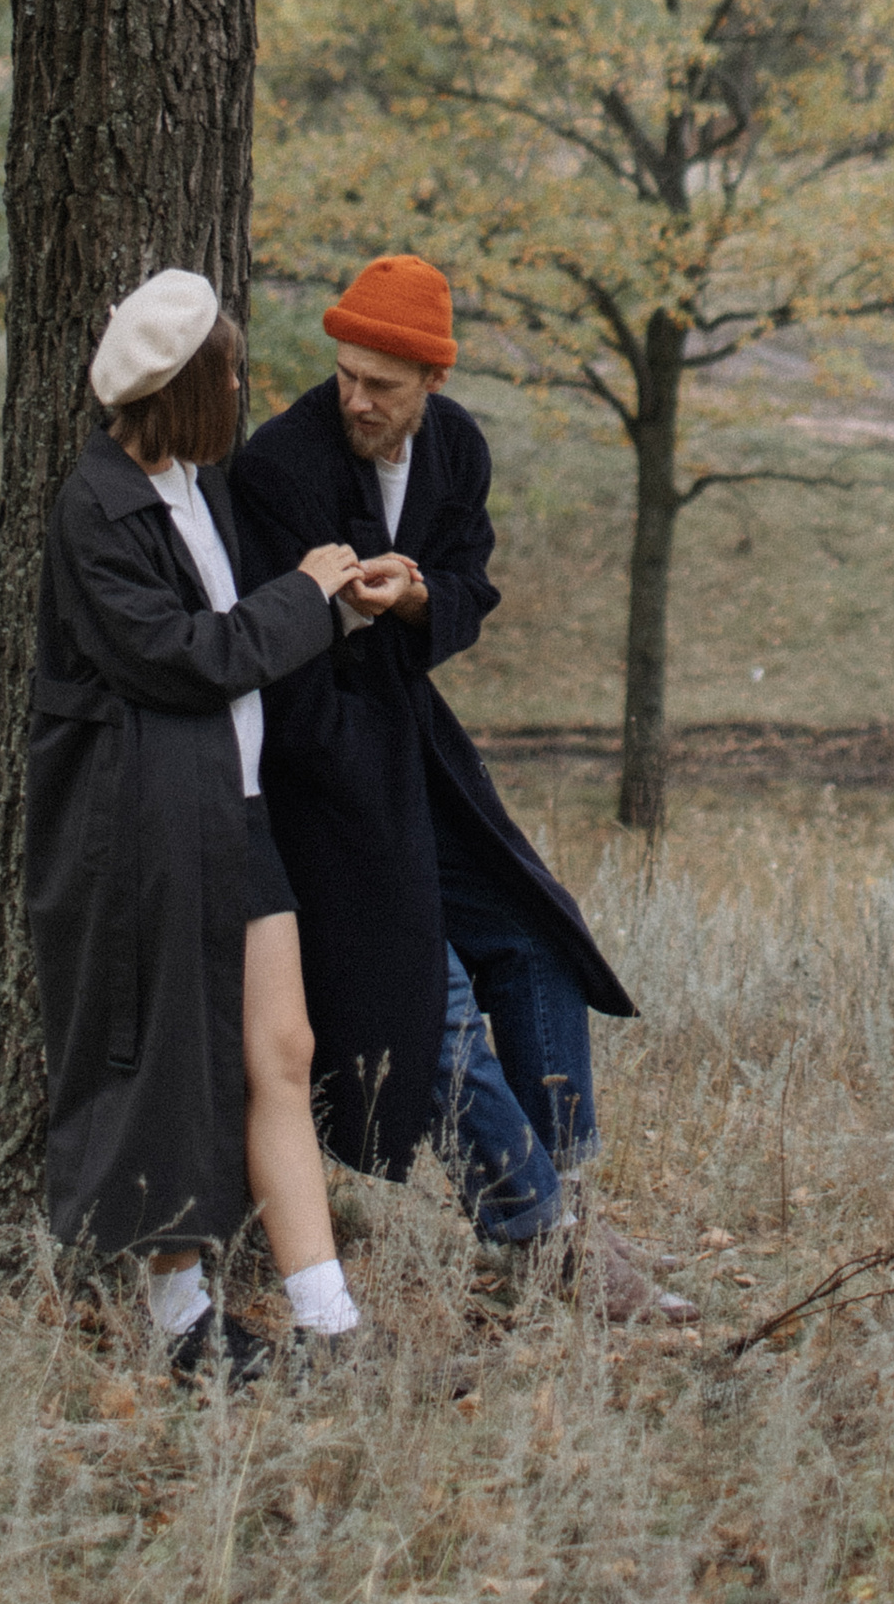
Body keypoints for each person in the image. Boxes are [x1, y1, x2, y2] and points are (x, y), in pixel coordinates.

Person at [235, 253, 687, 1321]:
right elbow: (269, 654)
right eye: (346, 374)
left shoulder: (457, 449)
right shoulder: (280, 466)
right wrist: (342, 614)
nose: (357, 399)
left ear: (432, 382)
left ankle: (568, 1204)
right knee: (420, 995)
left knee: (535, 942)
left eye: (382, 385)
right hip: (314, 773)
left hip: (413, 749)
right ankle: (536, 1233)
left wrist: (416, 598)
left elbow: (470, 587)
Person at [26, 266, 370, 1384]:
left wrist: (338, 605)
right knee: (170, 1068)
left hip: (236, 810)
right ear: (181, 388)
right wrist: (306, 596)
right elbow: (185, 658)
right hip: (147, 835)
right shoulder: (96, 509)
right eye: (225, 373)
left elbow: (245, 628)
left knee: (283, 1049)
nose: (238, 388)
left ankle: (327, 1318)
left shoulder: (199, 488)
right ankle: (181, 1321)